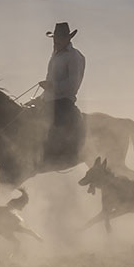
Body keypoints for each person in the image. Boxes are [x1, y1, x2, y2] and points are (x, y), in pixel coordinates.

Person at [34, 22, 86, 166]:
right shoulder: (55, 56)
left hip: (64, 102)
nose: (56, 41)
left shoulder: (74, 56)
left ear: (67, 39)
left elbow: (73, 84)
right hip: (49, 100)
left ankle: (56, 157)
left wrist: (52, 86)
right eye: (54, 38)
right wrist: (40, 97)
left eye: (59, 38)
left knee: (50, 125)